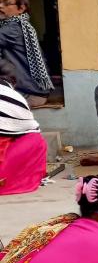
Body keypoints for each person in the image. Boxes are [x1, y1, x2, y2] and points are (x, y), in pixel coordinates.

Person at [0, 61, 46, 195]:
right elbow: (31, 129)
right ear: (13, 80)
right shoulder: (13, 95)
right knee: (36, 140)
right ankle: (15, 179)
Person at [0, 0, 52, 106]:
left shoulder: (13, 29)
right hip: (35, 91)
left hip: (28, 93)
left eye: (6, 3)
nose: (0, 6)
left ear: (21, 8)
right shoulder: (22, 25)